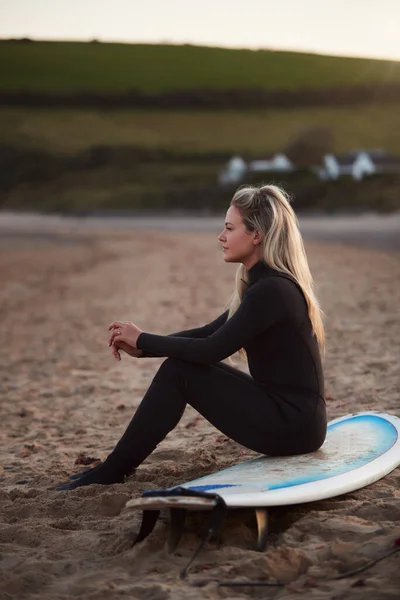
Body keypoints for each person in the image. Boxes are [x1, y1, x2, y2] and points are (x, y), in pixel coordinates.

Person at [57, 184, 326, 491]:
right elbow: (207, 334)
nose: (220, 237)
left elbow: (211, 349)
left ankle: (114, 469)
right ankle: (114, 467)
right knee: (179, 367)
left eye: (228, 228)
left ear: (256, 236)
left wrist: (144, 340)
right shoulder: (263, 286)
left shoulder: (272, 291)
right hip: (291, 418)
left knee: (180, 372)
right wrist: (142, 345)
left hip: (295, 426)